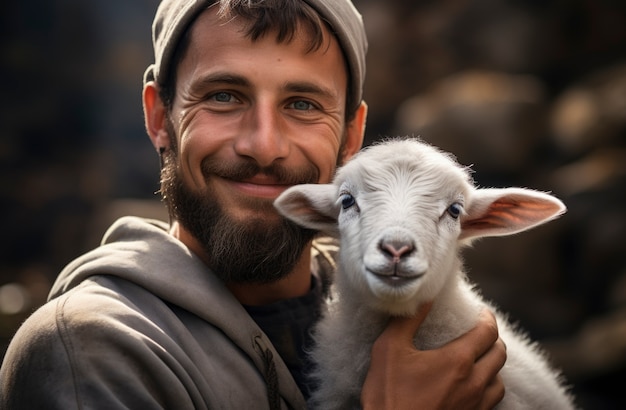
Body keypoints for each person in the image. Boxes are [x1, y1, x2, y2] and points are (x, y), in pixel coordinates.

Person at [0, 0, 506, 408]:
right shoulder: (89, 352)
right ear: (160, 118)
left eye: (303, 105)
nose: (264, 146)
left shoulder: (422, 330)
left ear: (352, 135)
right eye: (223, 96)